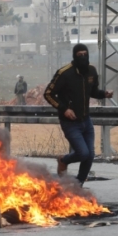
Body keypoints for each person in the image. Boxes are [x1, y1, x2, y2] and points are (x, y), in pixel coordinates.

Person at [44, 43, 113, 186]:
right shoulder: (64, 73)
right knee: (83, 153)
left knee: (90, 155)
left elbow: (93, 91)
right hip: (70, 122)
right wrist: (64, 109)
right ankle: (63, 160)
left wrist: (104, 94)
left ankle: (78, 184)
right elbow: (48, 94)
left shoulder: (92, 71)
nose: (83, 57)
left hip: (86, 120)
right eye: (79, 55)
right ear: (74, 56)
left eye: (85, 54)